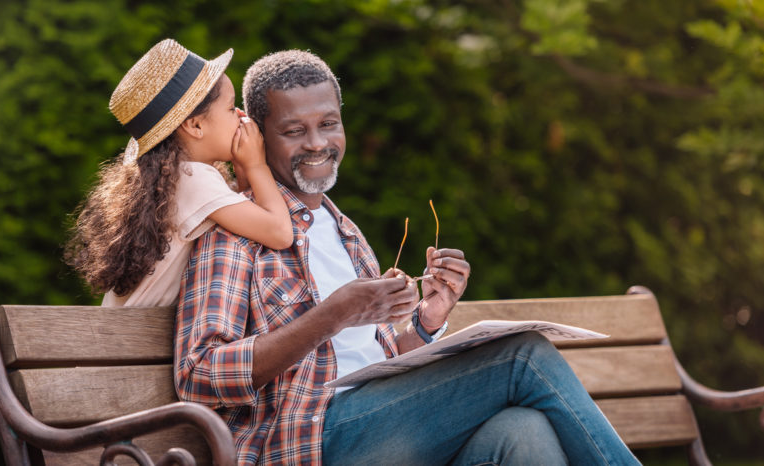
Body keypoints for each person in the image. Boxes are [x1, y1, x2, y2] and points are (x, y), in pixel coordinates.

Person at [174, 50, 641, 465]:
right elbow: (198, 375)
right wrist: (332, 315)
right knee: (523, 356)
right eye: (294, 130)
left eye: (329, 123)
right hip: (308, 441)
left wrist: (426, 321)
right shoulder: (237, 235)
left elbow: (367, 362)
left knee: (522, 432)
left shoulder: (347, 235)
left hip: (376, 429)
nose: (317, 143)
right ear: (256, 136)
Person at [65, 39, 292, 307]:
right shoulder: (194, 180)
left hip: (129, 340)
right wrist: (256, 165)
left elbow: (250, 225)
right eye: (231, 108)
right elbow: (279, 232)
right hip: (137, 345)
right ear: (195, 125)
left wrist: (244, 172)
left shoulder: (175, 179)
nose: (241, 116)